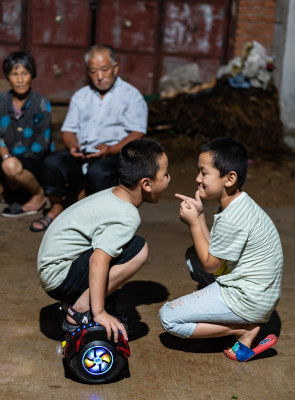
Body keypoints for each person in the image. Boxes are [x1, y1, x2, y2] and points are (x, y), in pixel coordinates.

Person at [159, 137, 283, 362]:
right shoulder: (238, 204)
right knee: (192, 255)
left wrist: (195, 223)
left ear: (230, 178)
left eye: (204, 173)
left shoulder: (233, 218)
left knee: (168, 318)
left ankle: (243, 330)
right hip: (260, 293)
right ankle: (239, 320)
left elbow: (211, 263)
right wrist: (198, 215)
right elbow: (213, 252)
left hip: (249, 299)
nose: (197, 178)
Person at [37, 138, 170, 341]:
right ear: (146, 184)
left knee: (121, 247)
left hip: (52, 268)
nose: (169, 179)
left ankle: (82, 301)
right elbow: (97, 260)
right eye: (166, 174)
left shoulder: (112, 194)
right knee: (139, 248)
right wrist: (98, 313)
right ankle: (80, 310)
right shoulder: (126, 215)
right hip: (59, 276)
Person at [30, 44, 148, 232]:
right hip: (84, 153)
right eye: (93, 71)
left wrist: (110, 150)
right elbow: (68, 131)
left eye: (104, 70)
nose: (99, 77)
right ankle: (56, 208)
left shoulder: (131, 96)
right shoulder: (81, 96)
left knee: (99, 171)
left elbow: (137, 134)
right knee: (52, 162)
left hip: (114, 154)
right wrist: (72, 147)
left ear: (115, 68)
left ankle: (104, 221)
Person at [0, 51, 52, 217]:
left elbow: (42, 145)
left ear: (32, 75)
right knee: (9, 164)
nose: (20, 80)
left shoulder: (41, 103)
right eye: (15, 74)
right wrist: (7, 158)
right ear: (8, 76)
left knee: (11, 166)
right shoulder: (2, 101)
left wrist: (13, 170)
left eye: (25, 73)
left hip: (33, 160)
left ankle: (38, 194)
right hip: (7, 158)